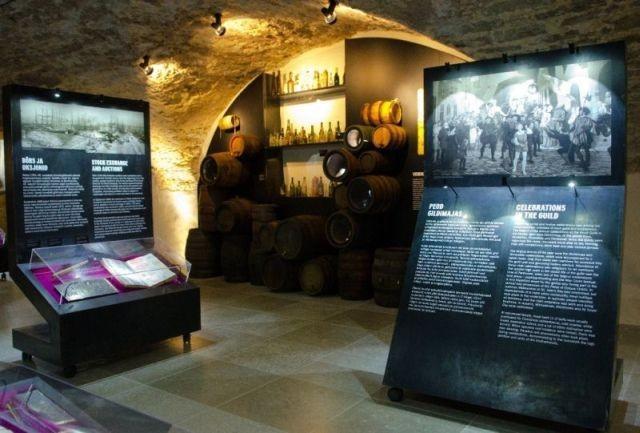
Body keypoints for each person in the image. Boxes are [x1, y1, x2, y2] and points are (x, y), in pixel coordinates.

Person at [571, 107, 595, 171]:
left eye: (580, 111)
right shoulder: (577, 118)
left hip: (585, 136)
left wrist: (584, 128)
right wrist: (572, 130)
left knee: (586, 149)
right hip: (577, 135)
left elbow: (589, 126)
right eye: (579, 111)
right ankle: (582, 162)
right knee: (577, 150)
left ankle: (587, 162)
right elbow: (574, 126)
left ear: (584, 112)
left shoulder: (588, 119)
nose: (579, 112)